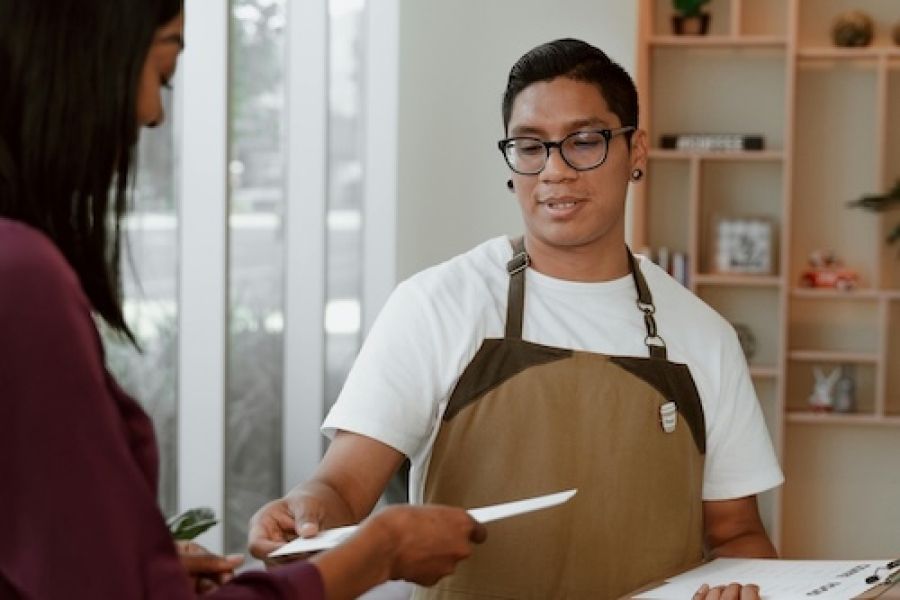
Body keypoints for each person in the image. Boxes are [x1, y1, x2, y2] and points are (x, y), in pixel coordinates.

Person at [248, 38, 784, 600]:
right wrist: (307, 513)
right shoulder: (438, 304)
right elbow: (342, 486)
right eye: (530, 147)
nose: (554, 171)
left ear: (636, 152)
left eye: (583, 142)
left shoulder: (703, 335)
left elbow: (737, 533)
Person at [0, 1, 485, 598]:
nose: (153, 114)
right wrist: (376, 552)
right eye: (161, 72)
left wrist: (137, 565)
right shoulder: (21, 279)